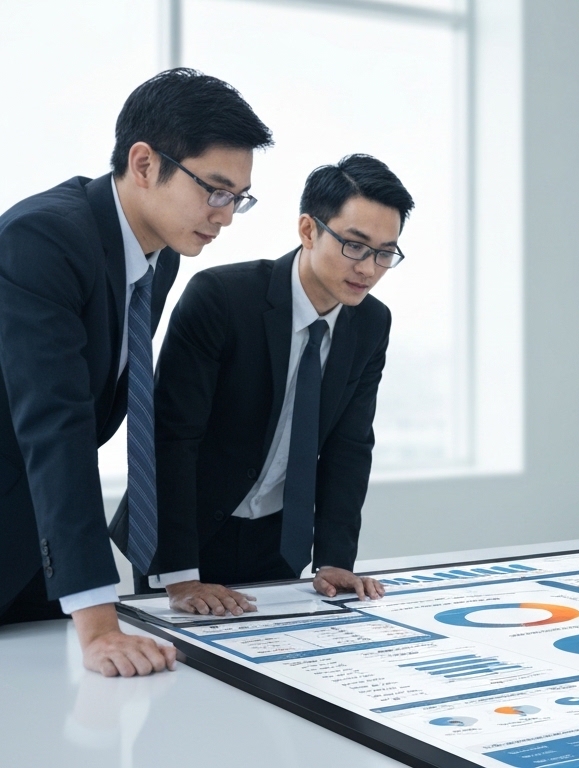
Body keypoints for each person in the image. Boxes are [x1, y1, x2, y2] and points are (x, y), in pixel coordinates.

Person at [0, 68, 272, 675]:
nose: (224, 216)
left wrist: (169, 578)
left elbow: (133, 403)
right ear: (144, 163)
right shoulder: (43, 239)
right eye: (215, 190)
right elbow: (56, 426)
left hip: (40, 554)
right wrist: (99, 622)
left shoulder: (161, 254)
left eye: (238, 198)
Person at [111, 155, 413, 615]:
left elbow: (350, 444)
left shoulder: (371, 322)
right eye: (354, 246)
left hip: (275, 539)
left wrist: (334, 559)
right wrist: (180, 577)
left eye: (385, 253)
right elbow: (172, 438)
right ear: (308, 230)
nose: (368, 269)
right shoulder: (222, 299)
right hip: (187, 532)